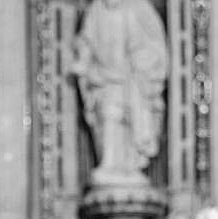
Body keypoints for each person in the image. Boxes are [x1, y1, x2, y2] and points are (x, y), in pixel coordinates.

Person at [69, 0, 169, 185]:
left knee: (130, 119)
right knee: (109, 117)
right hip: (105, 79)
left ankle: (130, 166)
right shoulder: (96, 10)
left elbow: (155, 44)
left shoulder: (140, 8)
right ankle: (109, 163)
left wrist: (140, 59)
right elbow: (86, 41)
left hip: (133, 80)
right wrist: (83, 58)